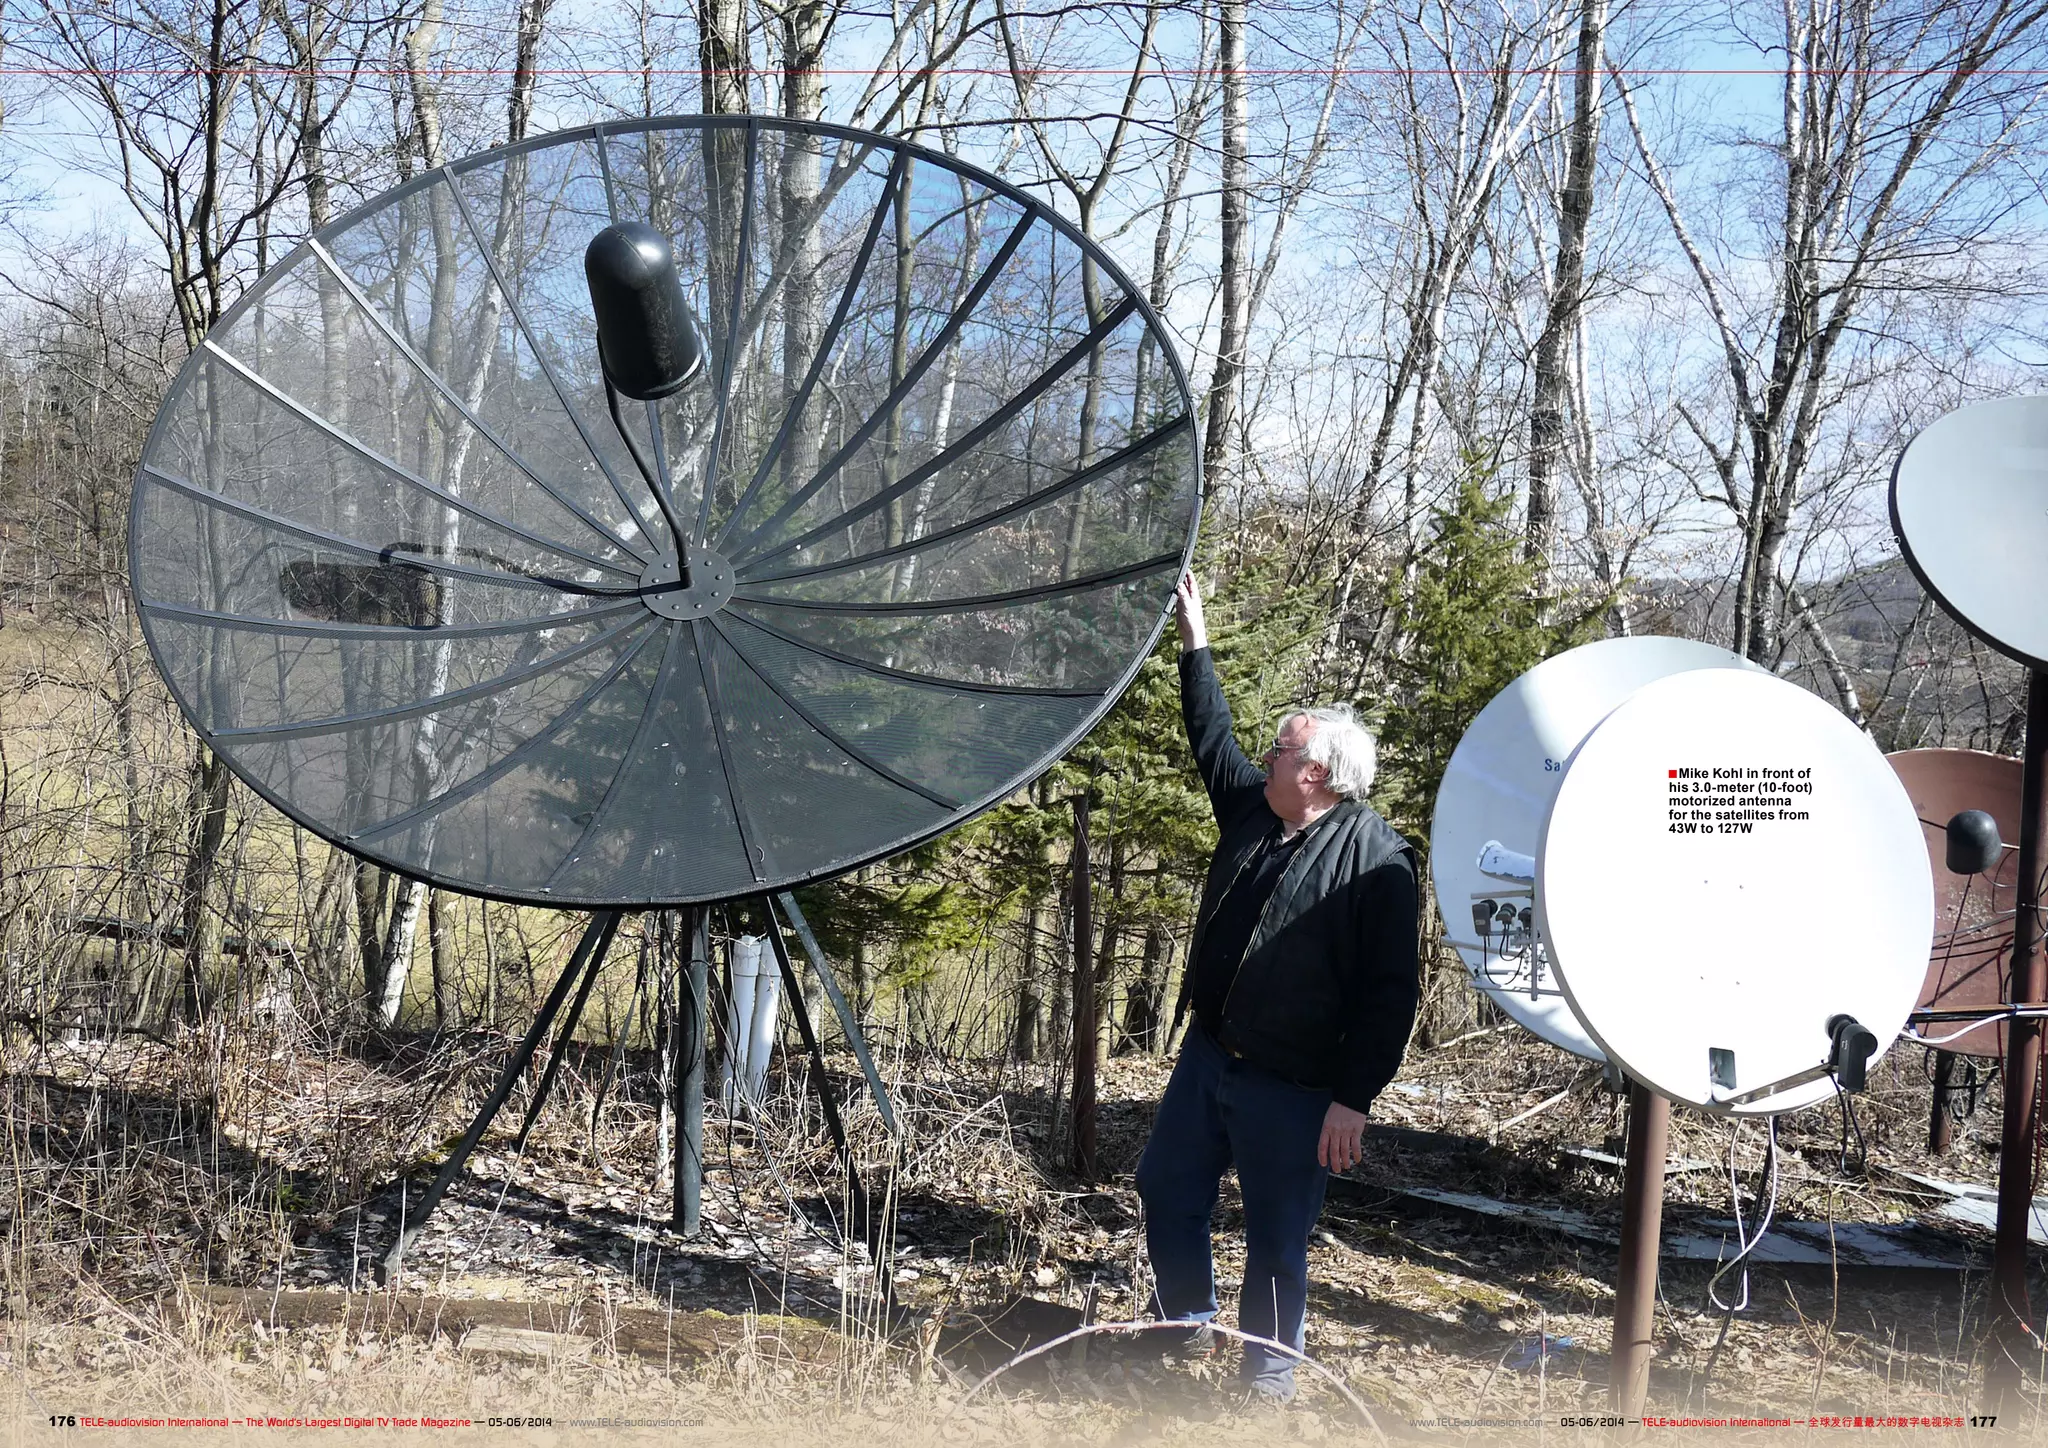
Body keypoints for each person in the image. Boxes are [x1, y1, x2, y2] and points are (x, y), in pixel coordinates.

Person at [1135, 569, 1420, 1402]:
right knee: (1167, 1186)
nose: (1266, 754)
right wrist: (1196, 638)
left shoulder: (1378, 862)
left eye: (1283, 748)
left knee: (1276, 1239)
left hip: (1298, 1087)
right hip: (1212, 1056)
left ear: (1318, 771)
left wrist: (1353, 1098)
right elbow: (1209, 735)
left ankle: (1267, 1383)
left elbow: (1389, 994)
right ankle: (1186, 1320)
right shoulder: (1258, 814)